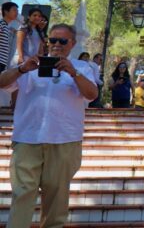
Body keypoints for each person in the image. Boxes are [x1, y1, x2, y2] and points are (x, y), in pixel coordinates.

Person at [0, 23, 98, 227]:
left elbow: (92, 94)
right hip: (27, 139)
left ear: (72, 43)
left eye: (63, 41)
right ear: (47, 42)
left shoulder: (82, 68)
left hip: (65, 141)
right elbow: (2, 82)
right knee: (22, 195)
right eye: (53, 40)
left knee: (56, 201)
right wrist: (21, 69)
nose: (57, 45)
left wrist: (73, 73)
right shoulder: (29, 65)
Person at [0, 1, 18, 72]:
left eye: (17, 10)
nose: (16, 12)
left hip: (2, 62)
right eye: (14, 10)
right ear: (6, 11)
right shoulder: (2, 24)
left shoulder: (6, 26)